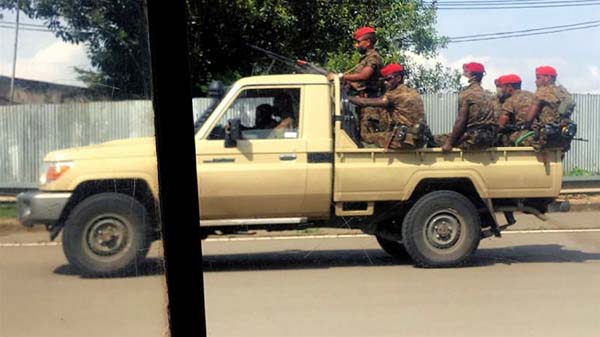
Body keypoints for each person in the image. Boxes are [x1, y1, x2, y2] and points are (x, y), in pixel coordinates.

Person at [348, 63, 428, 149]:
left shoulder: (396, 93)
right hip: (415, 138)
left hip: (404, 140)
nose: (385, 83)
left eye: (388, 79)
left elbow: (364, 102)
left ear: (398, 78)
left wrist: (346, 97)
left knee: (365, 136)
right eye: (384, 80)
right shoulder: (410, 91)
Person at [436, 62, 496, 152]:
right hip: (487, 139)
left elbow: (461, 121)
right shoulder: (487, 96)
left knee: (434, 139)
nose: (463, 75)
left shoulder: (467, 94)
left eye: (465, 73)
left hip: (471, 139)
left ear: (473, 77)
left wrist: (449, 143)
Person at [521, 65, 576, 152]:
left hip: (544, 139)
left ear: (548, 78)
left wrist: (524, 127)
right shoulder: (564, 92)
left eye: (538, 77)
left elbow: (529, 119)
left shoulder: (543, 91)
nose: (536, 81)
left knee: (512, 137)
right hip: (563, 139)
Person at [327, 26, 383, 98]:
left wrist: (340, 76)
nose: (356, 45)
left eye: (358, 42)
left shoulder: (373, 57)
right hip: (363, 99)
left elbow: (364, 76)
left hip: (371, 101)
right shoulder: (365, 58)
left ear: (368, 42)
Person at [494, 74, 535, 146]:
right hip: (537, 133)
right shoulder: (533, 95)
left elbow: (502, 121)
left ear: (509, 87)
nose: (502, 90)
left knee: (498, 137)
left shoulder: (511, 100)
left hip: (524, 135)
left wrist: (495, 131)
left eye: (502, 87)